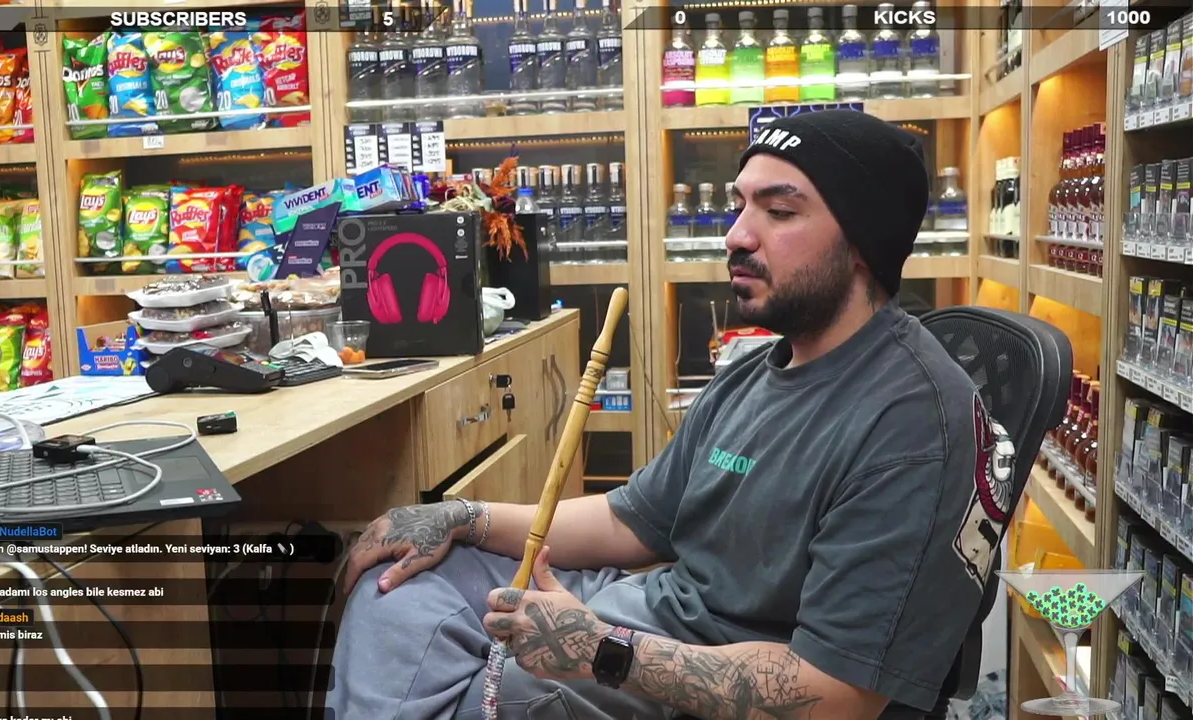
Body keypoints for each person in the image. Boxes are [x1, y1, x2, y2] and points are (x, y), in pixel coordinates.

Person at [328, 110, 1015, 720]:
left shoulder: (914, 425)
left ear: (863, 242)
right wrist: (464, 517)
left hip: (684, 676)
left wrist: (599, 651)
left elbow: (834, 696)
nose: (736, 235)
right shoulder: (758, 370)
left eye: (779, 212)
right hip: (639, 615)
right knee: (400, 585)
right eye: (739, 206)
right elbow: (631, 519)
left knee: (474, 691)